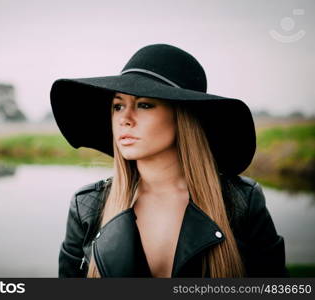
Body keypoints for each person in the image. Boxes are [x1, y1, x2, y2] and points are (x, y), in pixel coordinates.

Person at [50, 44, 288, 278]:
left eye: (144, 105)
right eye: (118, 106)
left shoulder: (239, 202)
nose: (125, 118)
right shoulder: (88, 208)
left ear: (182, 117)